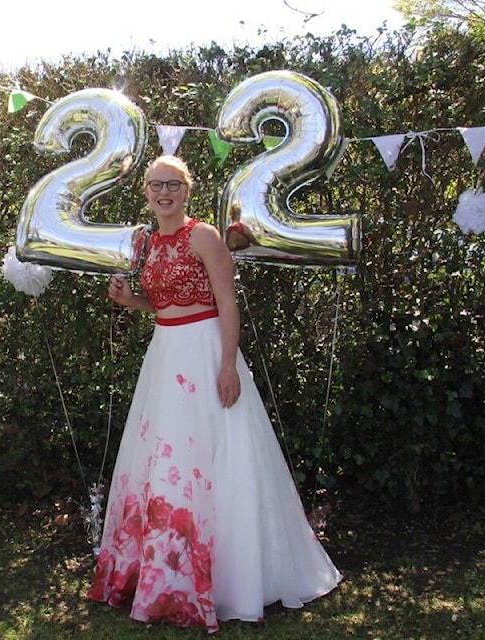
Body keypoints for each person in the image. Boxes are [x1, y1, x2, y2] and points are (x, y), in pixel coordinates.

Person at [86, 155, 341, 633]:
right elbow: (163, 307)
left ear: (187, 189)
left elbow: (227, 303)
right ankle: (165, 572)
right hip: (165, 356)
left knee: (218, 457)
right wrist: (129, 300)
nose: (164, 192)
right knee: (168, 460)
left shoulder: (203, 236)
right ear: (144, 190)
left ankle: (234, 579)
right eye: (155, 185)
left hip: (206, 354)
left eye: (173, 185)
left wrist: (227, 364)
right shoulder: (145, 243)